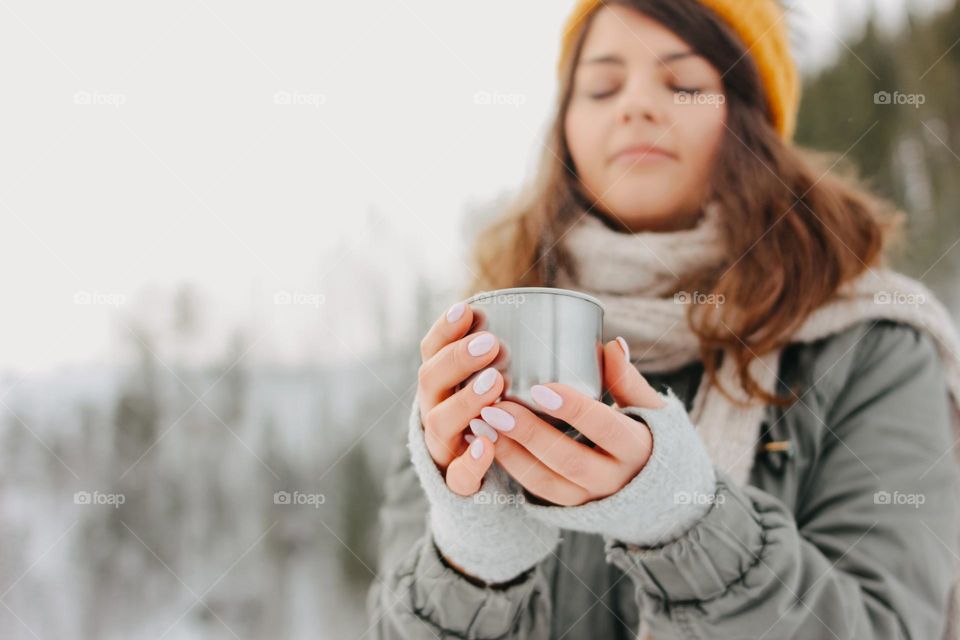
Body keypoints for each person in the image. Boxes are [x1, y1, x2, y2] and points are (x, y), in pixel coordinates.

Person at [367, 0, 960, 637]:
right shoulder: (479, 354)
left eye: (683, 84)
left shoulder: (873, 344)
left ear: (750, 120)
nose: (636, 106)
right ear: (566, 124)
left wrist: (687, 524)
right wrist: (473, 563)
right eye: (601, 86)